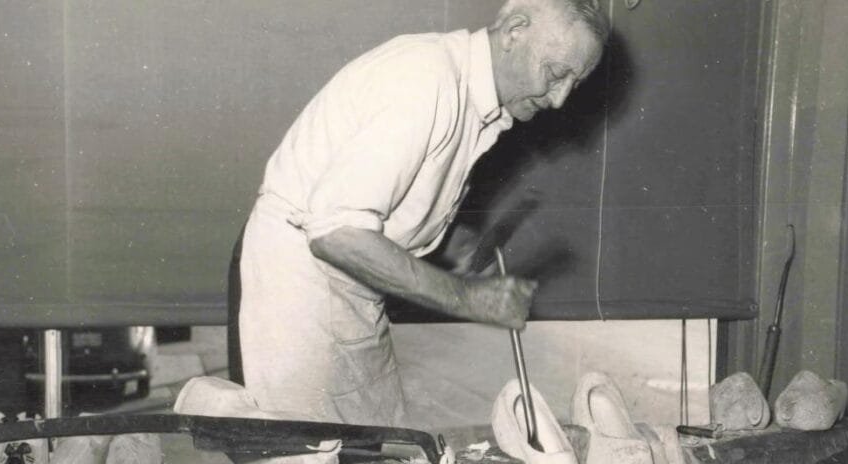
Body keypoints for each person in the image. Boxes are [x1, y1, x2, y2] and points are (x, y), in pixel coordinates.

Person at [228, 0, 608, 427]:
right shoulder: (425, 79)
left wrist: (448, 242)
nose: (559, 100)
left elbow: (393, 199)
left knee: (377, 445)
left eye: (574, 85)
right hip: (299, 282)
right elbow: (336, 231)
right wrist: (465, 297)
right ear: (514, 30)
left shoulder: (477, 102)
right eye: (556, 74)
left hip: (351, 284)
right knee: (307, 460)